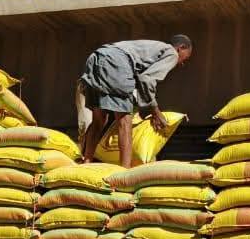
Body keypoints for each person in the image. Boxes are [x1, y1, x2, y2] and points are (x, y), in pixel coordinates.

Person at [76, 36, 194, 166]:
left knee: (99, 120)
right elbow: (146, 79)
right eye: (185, 58)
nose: (182, 63)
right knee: (124, 122)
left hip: (96, 58)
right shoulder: (172, 53)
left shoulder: (152, 48)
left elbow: (140, 78)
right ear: (180, 48)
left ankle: (87, 162)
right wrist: (155, 112)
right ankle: (125, 171)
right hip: (116, 62)